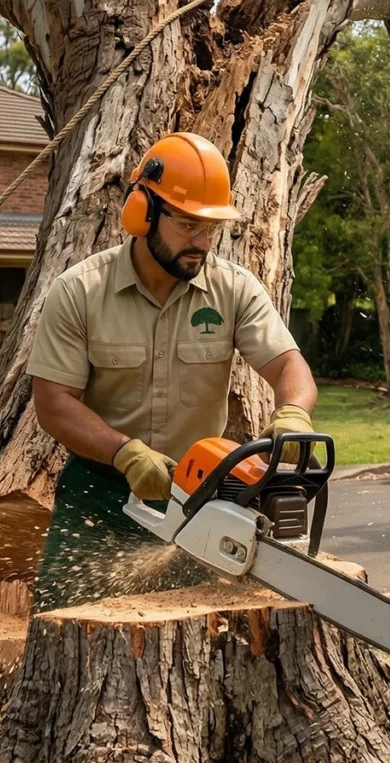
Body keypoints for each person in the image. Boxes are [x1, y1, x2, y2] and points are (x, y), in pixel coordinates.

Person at [28, 132, 319, 612]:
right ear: (142, 211)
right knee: (63, 622)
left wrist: (293, 413)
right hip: (100, 492)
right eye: (188, 225)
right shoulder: (80, 291)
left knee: (192, 634)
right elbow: (53, 403)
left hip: (200, 496)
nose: (202, 243)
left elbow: (289, 364)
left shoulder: (233, 290)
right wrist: (125, 453)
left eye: (210, 228)